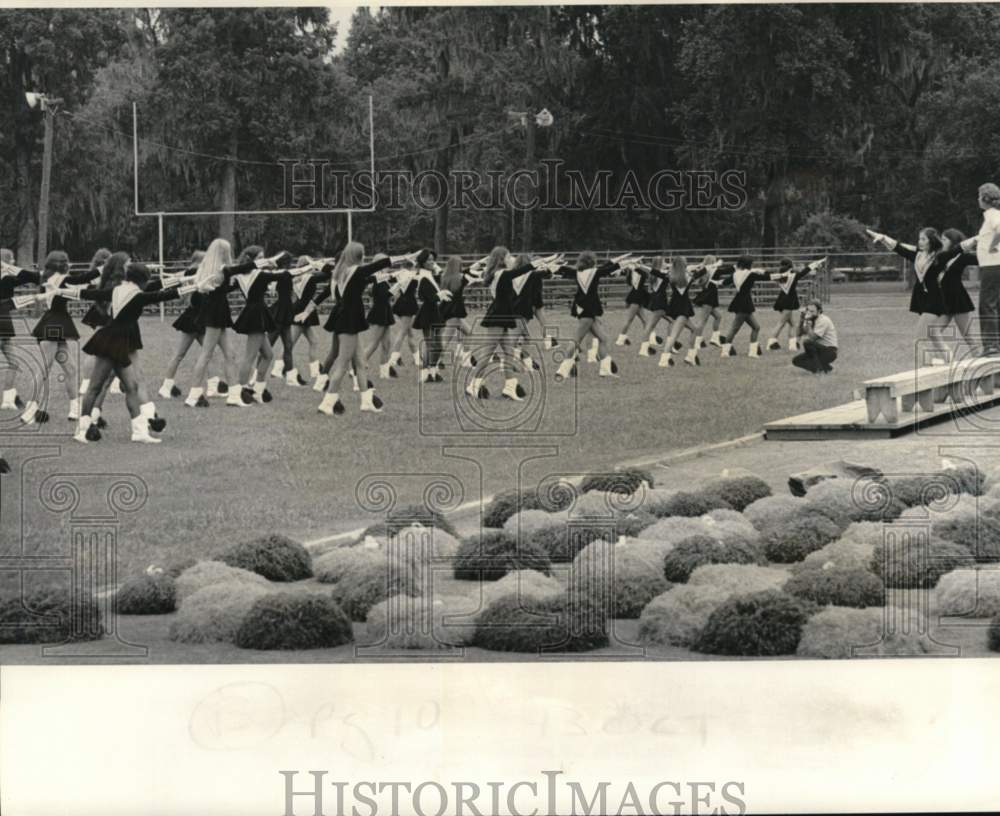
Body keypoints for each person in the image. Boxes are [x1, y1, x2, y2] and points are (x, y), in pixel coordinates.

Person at [962, 183, 1000, 355]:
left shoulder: (993, 214)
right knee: (995, 304)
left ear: (985, 199)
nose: (978, 199)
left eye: (979, 196)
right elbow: (988, 234)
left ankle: (991, 345)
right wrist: (975, 241)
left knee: (987, 304)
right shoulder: (991, 216)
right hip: (993, 265)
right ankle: (995, 344)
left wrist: (992, 246)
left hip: (993, 265)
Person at [792, 300, 838, 374]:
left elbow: (813, 338)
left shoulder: (823, 320)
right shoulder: (810, 319)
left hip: (830, 351)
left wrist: (808, 325)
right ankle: (825, 368)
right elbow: (798, 334)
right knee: (796, 360)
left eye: (812, 311)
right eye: (808, 310)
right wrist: (801, 320)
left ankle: (819, 370)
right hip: (817, 350)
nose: (809, 313)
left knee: (807, 342)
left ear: (819, 311)